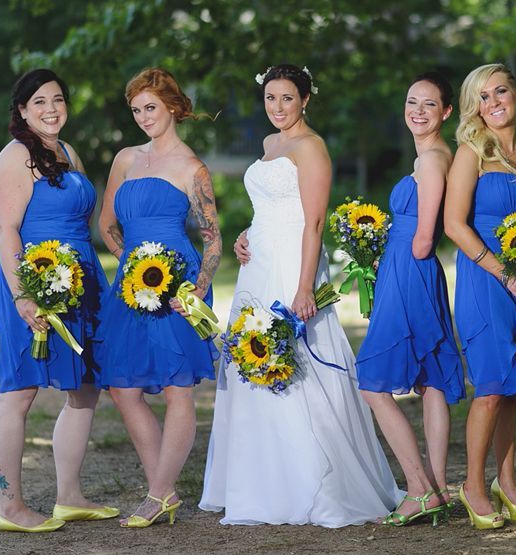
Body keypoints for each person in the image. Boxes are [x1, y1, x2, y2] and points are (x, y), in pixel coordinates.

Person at [199, 64, 402, 526]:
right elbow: (271, 208)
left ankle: (316, 482)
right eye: (270, 98)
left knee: (300, 360)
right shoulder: (271, 144)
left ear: (305, 99)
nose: (277, 108)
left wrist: (305, 285)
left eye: (287, 98)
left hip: (295, 265)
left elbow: (311, 222)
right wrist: (245, 234)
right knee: (250, 356)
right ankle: (261, 481)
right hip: (258, 266)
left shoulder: (313, 148)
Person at [0, 69, 116, 532]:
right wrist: (25, 296)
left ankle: (69, 496)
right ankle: (11, 507)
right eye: (39, 101)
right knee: (19, 390)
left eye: (58, 100)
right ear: (22, 110)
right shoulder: (16, 157)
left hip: (80, 279)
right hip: (32, 280)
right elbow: (7, 231)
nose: (51, 109)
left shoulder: (67, 151)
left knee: (84, 387)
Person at [97, 68, 220, 528]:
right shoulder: (126, 159)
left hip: (178, 285)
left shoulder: (193, 169)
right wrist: (129, 264)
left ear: (172, 106)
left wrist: (195, 290)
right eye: (136, 110)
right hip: (131, 287)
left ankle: (156, 494)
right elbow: (107, 225)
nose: (143, 117)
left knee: (177, 386)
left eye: (151, 107)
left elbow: (212, 241)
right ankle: (163, 490)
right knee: (123, 387)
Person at [444, 62, 516, 530]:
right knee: (490, 387)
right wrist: (504, 274)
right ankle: (472, 485)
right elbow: (454, 224)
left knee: (511, 388)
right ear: (475, 108)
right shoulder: (471, 154)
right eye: (482, 97)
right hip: (485, 281)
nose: (493, 103)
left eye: (500, 92)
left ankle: (506, 483)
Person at [355, 72, 465, 526]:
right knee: (432, 380)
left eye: (428, 104)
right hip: (413, 272)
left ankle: (418, 487)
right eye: (411, 102)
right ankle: (436, 489)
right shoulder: (436, 155)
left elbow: (423, 239)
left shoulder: (432, 161)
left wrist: (393, 257)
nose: (417, 110)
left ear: (446, 112)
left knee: (372, 384)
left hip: (409, 270)